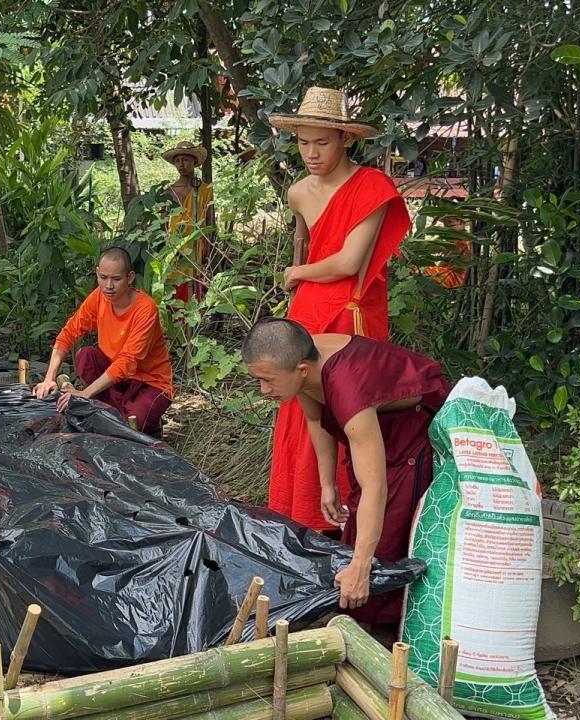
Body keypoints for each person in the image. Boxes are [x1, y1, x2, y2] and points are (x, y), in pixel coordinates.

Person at [264, 86, 411, 533]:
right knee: (298, 410)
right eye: (303, 141)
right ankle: (298, 517)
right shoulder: (297, 194)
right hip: (308, 311)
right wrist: (300, 279)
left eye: (322, 142)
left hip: (352, 311)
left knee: (350, 408)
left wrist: (297, 271)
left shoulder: (372, 186)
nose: (311, 152)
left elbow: (349, 262)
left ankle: (348, 527)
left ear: (345, 139)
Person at [243, 317, 449, 628]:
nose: (263, 389)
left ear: (301, 370)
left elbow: (375, 486)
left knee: (386, 538)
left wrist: (361, 566)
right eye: (257, 379)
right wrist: (327, 483)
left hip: (410, 428)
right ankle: (353, 609)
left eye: (268, 380)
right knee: (353, 531)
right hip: (373, 422)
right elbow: (316, 419)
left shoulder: (347, 385)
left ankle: (386, 627)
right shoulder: (299, 359)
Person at [32, 248, 174, 438]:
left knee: (134, 420)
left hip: (149, 382)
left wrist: (85, 393)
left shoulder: (145, 308)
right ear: (97, 273)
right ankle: (111, 411)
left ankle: (144, 424)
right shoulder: (99, 297)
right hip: (115, 378)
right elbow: (68, 333)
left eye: (116, 279)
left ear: (130, 277)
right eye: (103, 277)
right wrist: (49, 378)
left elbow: (127, 362)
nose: (108, 285)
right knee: (86, 355)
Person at [163, 140, 215, 303]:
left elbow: (210, 222)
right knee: (174, 293)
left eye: (185, 160)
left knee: (192, 293)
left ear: (194, 162)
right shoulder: (168, 191)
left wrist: (209, 251)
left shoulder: (205, 190)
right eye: (177, 161)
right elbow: (162, 223)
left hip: (196, 247)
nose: (181, 165)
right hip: (174, 248)